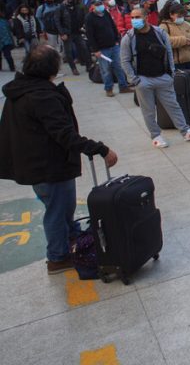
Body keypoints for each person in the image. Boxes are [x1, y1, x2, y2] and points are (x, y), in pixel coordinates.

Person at [0, 45, 119, 274]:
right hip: (49, 166)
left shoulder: (21, 90)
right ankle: (58, 257)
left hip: (37, 164)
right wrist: (100, 149)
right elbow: (64, 134)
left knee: (62, 208)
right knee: (56, 211)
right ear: (51, 68)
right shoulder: (41, 96)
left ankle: (71, 238)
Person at [120, 8, 190, 148]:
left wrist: (170, 73)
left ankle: (186, 131)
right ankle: (156, 136)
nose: (134, 20)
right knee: (149, 111)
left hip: (163, 77)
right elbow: (125, 60)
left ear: (146, 17)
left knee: (173, 105)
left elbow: (168, 52)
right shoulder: (128, 38)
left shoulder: (159, 33)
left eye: (137, 17)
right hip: (143, 80)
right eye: (132, 17)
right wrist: (134, 79)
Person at [85, 0, 133, 97]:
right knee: (106, 70)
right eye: (97, 5)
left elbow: (113, 26)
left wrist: (116, 40)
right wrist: (95, 50)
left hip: (114, 45)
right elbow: (90, 35)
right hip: (102, 49)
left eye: (100, 4)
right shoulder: (89, 18)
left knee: (119, 67)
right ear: (93, 6)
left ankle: (123, 86)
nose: (99, 6)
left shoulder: (106, 13)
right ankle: (108, 88)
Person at [61, 0, 92, 72]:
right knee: (69, 52)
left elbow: (82, 17)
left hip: (77, 31)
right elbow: (58, 22)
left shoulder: (77, 7)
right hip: (67, 33)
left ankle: (88, 66)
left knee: (84, 48)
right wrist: (62, 33)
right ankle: (73, 68)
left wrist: (82, 26)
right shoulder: (61, 8)